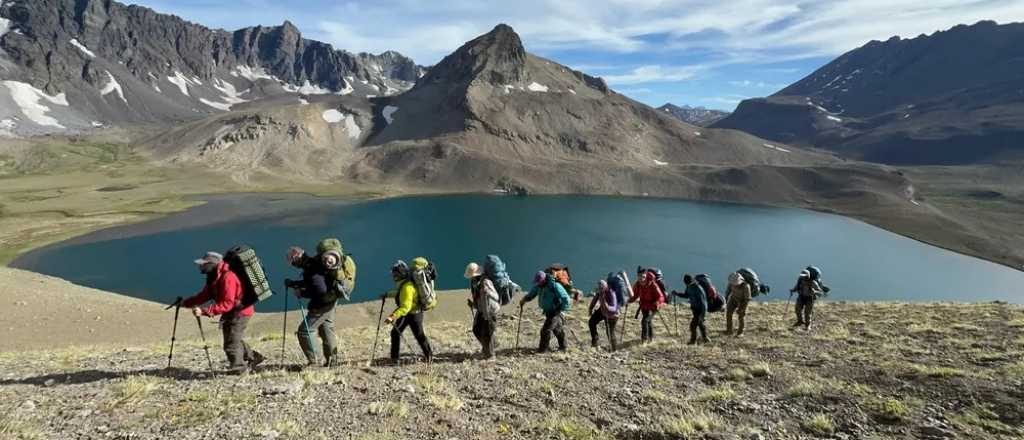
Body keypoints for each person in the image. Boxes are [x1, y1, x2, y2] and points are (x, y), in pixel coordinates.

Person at [182, 251, 264, 374]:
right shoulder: (214, 276)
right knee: (233, 338)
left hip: (240, 312)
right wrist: (185, 303)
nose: (201, 267)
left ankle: (239, 369)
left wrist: (204, 311)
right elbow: (204, 295)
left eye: (204, 264)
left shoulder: (227, 277)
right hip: (234, 311)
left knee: (230, 344)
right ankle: (253, 357)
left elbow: (227, 303)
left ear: (212, 264)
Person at [285, 246, 340, 368]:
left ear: (297, 257)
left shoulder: (310, 267)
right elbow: (313, 282)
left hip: (322, 304)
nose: (294, 265)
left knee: (305, 331)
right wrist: (295, 284)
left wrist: (302, 293)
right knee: (326, 329)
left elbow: (320, 290)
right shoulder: (313, 263)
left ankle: (315, 362)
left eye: (293, 262)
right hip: (331, 300)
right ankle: (333, 362)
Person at [384, 260, 434, 363]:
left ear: (399, 275)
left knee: (419, 335)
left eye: (395, 274)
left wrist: (392, 316)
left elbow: (405, 307)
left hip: (413, 315)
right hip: (413, 313)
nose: (393, 276)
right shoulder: (406, 284)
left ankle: (429, 357)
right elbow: (400, 295)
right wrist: (387, 294)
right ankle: (394, 358)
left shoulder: (407, 287)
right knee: (396, 333)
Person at [520, 271, 571, 353]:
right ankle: (563, 347)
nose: (538, 284)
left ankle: (542, 350)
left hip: (555, 311)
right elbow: (532, 294)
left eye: (539, 282)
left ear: (544, 280)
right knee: (557, 329)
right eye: (537, 282)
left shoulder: (554, 286)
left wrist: (562, 309)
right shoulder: (539, 286)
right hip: (548, 311)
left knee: (546, 330)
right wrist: (524, 299)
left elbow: (566, 298)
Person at [465, 262, 500, 359]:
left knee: (487, 333)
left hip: (490, 311)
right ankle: (491, 345)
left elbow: (496, 297)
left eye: (472, 276)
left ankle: (490, 355)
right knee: (476, 330)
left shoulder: (486, 282)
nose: (471, 278)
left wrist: (487, 292)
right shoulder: (474, 283)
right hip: (481, 310)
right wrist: (473, 304)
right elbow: (478, 298)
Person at [629, 271, 665, 344]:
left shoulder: (653, 285)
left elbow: (661, 297)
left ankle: (644, 340)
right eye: (640, 277)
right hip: (644, 306)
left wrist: (657, 303)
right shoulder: (638, 285)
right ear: (637, 276)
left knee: (645, 321)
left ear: (646, 277)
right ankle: (650, 339)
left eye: (643, 277)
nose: (641, 279)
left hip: (653, 306)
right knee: (648, 321)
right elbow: (635, 295)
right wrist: (628, 300)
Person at [673, 274, 710, 345]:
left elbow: (703, 302)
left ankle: (693, 341)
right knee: (700, 324)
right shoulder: (689, 286)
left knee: (693, 326)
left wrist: (703, 314)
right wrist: (677, 294)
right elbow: (687, 295)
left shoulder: (698, 288)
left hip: (700, 310)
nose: (687, 284)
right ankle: (705, 338)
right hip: (695, 309)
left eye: (688, 283)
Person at [587, 275, 621, 350]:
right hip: (603, 310)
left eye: (601, 288)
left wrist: (607, 307)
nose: (600, 289)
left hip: (613, 314)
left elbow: (614, 308)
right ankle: (595, 343)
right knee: (591, 322)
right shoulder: (600, 292)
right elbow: (594, 300)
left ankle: (614, 348)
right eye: (599, 288)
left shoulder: (611, 292)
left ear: (605, 286)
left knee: (609, 331)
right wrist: (590, 309)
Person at [724, 272, 752, 336]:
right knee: (728, 313)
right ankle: (729, 330)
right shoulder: (731, 283)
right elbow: (728, 291)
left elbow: (747, 299)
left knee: (741, 316)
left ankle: (740, 332)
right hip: (733, 299)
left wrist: (743, 309)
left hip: (742, 302)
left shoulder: (746, 286)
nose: (734, 284)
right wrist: (725, 300)